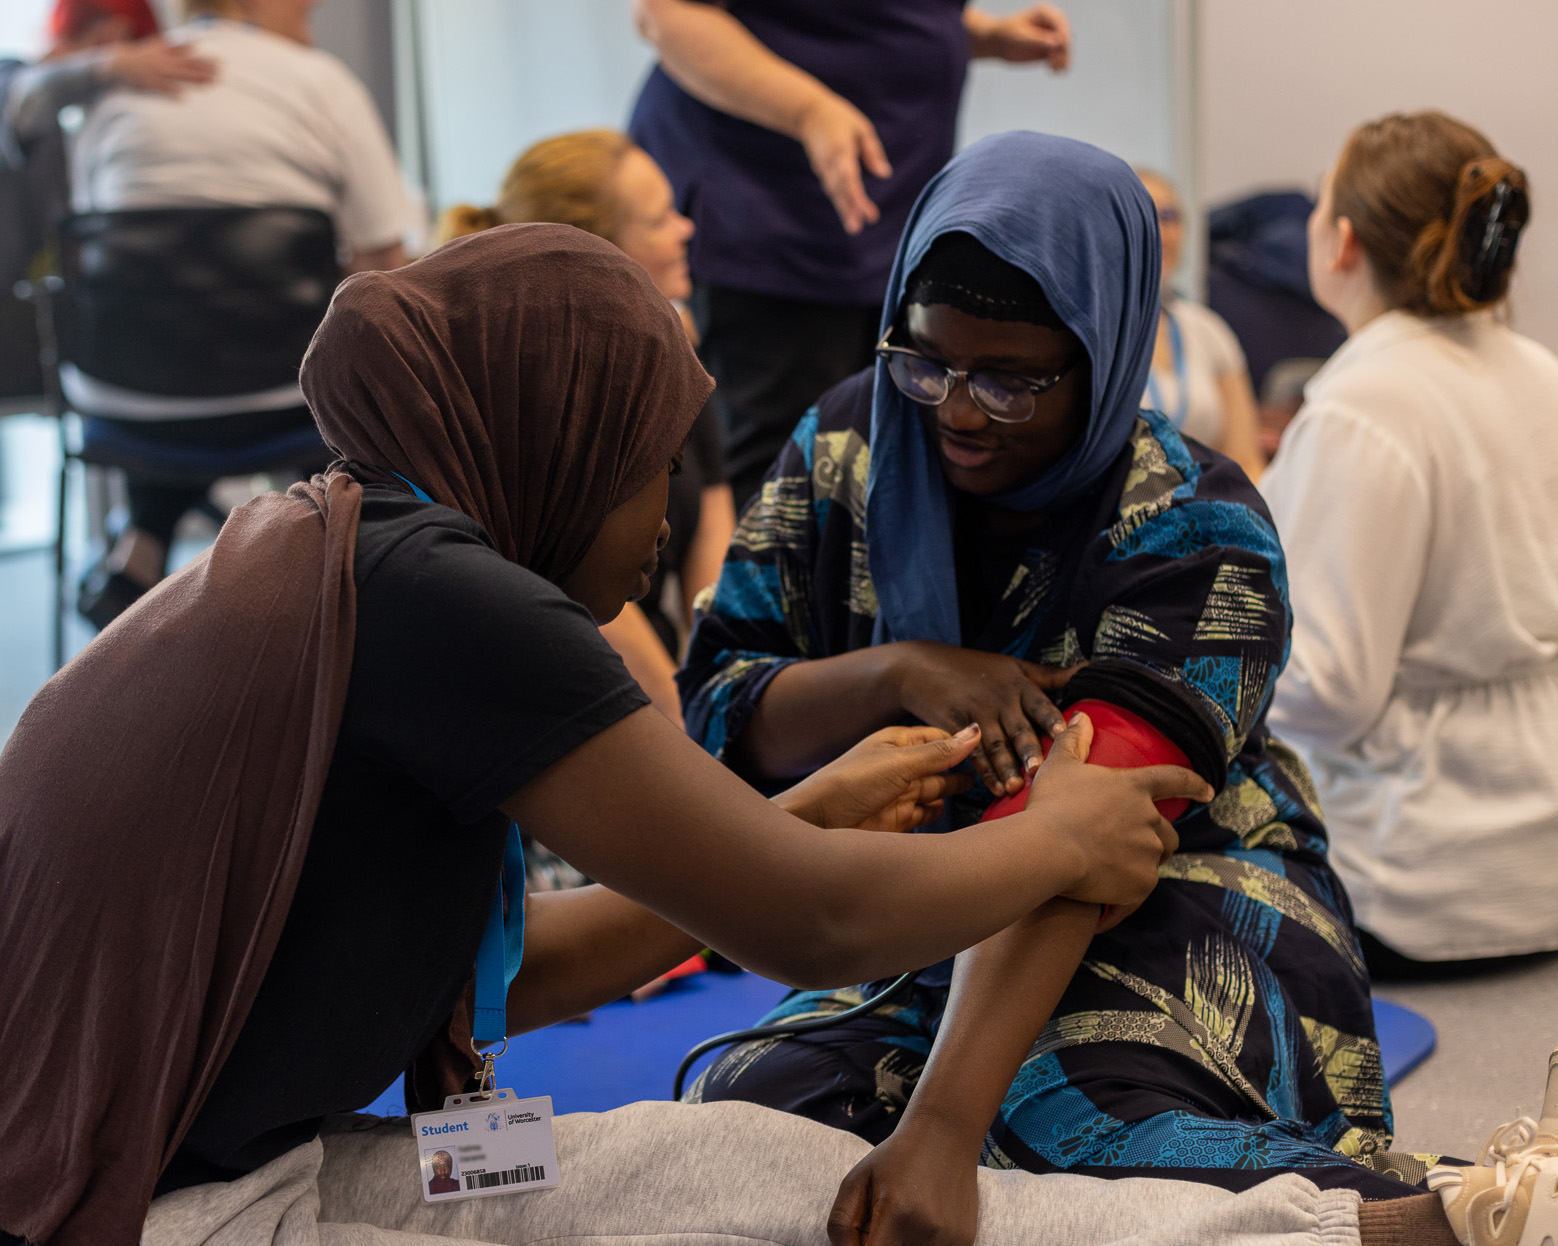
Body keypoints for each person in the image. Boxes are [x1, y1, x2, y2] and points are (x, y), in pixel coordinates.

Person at [0, 223, 1218, 1245]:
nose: (669, 512)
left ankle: (1345, 1227)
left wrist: (790, 820)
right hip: (131, 1209)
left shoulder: (344, 544)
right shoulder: (443, 595)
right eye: (658, 460)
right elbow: (814, 922)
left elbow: (502, 976)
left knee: (730, 1156)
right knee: (737, 1206)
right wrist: (1058, 837)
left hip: (190, 1160)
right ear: (565, 440)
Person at [677, 130, 1474, 1243]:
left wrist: (947, 1127)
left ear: (1103, 352)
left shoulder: (1195, 522)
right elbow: (718, 705)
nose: (955, 408)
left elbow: (1089, 835)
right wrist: (894, 674)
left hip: (1175, 887)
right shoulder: (848, 444)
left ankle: (1454, 1216)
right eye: (927, 358)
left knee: (1055, 1112)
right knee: (756, 1108)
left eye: (1008, 379)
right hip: (915, 905)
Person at [1261, 112, 1558, 976]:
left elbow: (1329, 688)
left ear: (1341, 241)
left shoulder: (1367, 405)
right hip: (1536, 858)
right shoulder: (1541, 372)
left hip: (1412, 881)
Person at [630, 0, 1076, 509]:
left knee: (886, 462)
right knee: (792, 481)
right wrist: (809, 109)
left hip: (888, 229)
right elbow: (665, 13)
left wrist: (982, 34)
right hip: (778, 226)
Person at [65, 0, 417, 628]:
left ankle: (140, 545)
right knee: (332, 363)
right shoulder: (319, 82)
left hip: (124, 404)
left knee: (190, 360)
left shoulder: (114, 98)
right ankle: (329, 567)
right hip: (279, 399)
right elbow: (381, 269)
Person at [436, 129, 738, 726]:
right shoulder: (538, 399)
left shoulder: (674, 351)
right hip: (573, 688)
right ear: (598, 258)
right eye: (657, 221)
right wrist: (689, 727)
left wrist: (723, 673)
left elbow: (714, 525)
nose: (685, 230)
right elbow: (581, 598)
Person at [1136, 168, 1266, 481]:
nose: (1160, 231)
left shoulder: (1208, 330)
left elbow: (1246, 459)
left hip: (1207, 518)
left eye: (1169, 216)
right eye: (1145, 215)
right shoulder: (1096, 333)